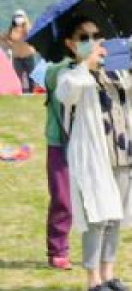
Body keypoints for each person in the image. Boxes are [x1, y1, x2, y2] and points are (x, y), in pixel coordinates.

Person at [55, 17, 132, 291]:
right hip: (94, 158)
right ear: (71, 44)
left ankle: (109, 273)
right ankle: (92, 279)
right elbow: (66, 95)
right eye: (84, 37)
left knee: (114, 218)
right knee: (96, 217)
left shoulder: (116, 73)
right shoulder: (72, 75)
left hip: (123, 155)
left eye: (97, 36)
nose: (93, 41)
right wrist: (86, 64)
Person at [42, 55, 73, 270]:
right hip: (59, 142)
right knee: (62, 198)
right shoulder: (57, 69)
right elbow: (52, 79)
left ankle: (97, 250)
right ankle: (58, 248)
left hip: (90, 142)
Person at [3, 12, 38, 93]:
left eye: (20, 16)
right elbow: (6, 38)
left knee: (31, 76)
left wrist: (25, 23)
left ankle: (32, 92)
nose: (18, 18)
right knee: (18, 77)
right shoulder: (12, 29)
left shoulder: (28, 28)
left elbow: (31, 33)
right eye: (17, 17)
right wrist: (8, 44)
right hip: (17, 57)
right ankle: (21, 92)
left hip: (28, 55)